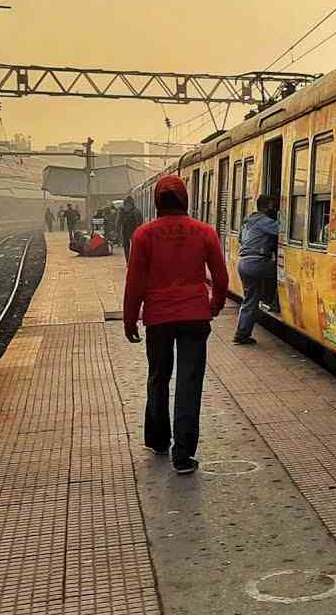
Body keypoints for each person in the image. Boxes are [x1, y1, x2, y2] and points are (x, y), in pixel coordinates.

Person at [123, 175, 228, 474]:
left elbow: (135, 284)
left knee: (158, 377)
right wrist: (215, 305)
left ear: (157, 201)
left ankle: (158, 440)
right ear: (185, 199)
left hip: (158, 318)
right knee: (189, 383)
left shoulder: (143, 236)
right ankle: (182, 456)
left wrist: (131, 319)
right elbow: (220, 278)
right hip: (195, 316)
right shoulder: (204, 232)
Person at [232, 195, 279, 345]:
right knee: (285, 273)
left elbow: (241, 239)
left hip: (244, 263)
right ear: (265, 207)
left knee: (250, 300)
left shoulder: (248, 221)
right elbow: (282, 230)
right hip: (257, 263)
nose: (274, 209)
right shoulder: (265, 221)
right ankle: (273, 301)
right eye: (272, 206)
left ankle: (241, 334)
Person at [119, 196, 143, 262]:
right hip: (125, 232)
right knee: (126, 247)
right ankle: (128, 261)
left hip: (134, 232)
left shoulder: (136, 212)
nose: (126, 207)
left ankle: (134, 260)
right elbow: (119, 222)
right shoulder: (122, 212)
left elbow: (139, 222)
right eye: (125, 205)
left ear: (131, 205)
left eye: (127, 205)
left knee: (135, 247)